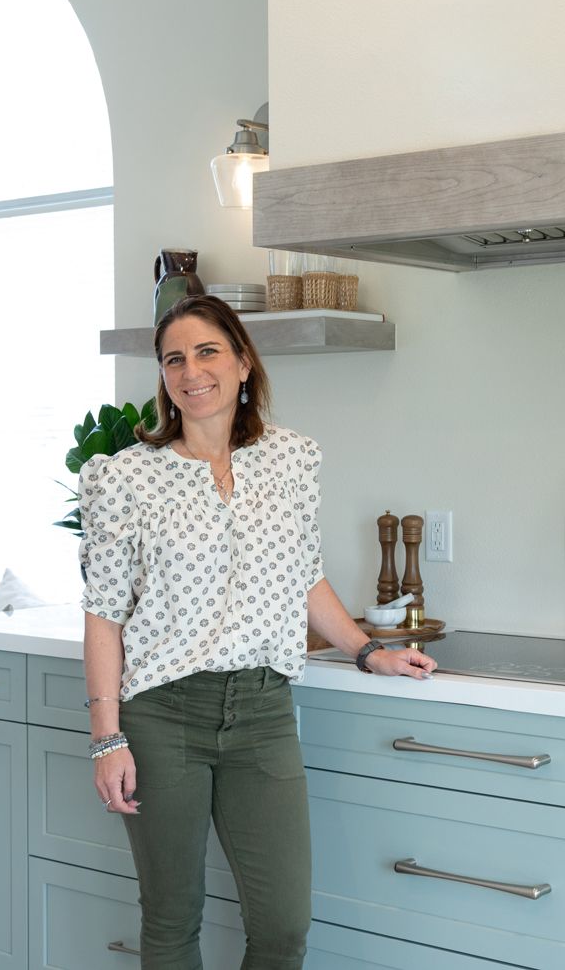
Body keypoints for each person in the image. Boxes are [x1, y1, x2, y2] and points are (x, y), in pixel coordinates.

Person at [78, 294, 435, 970]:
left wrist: (367, 650)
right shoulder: (122, 477)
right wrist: (107, 738)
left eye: (207, 352)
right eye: (174, 359)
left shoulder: (292, 459)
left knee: (282, 926)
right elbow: (104, 612)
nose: (192, 371)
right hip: (162, 715)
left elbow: (303, 575)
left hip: (263, 712)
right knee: (172, 917)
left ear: (243, 362)